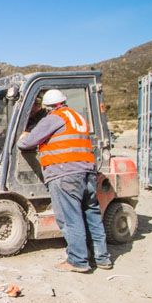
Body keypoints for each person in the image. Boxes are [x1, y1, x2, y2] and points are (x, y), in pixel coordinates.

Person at [17, 89, 112, 272]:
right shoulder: (78, 118)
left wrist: (23, 136)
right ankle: (102, 258)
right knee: (91, 214)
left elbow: (26, 143)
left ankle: (78, 261)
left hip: (65, 174)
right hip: (87, 172)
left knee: (70, 218)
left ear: (48, 106)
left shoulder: (54, 118)